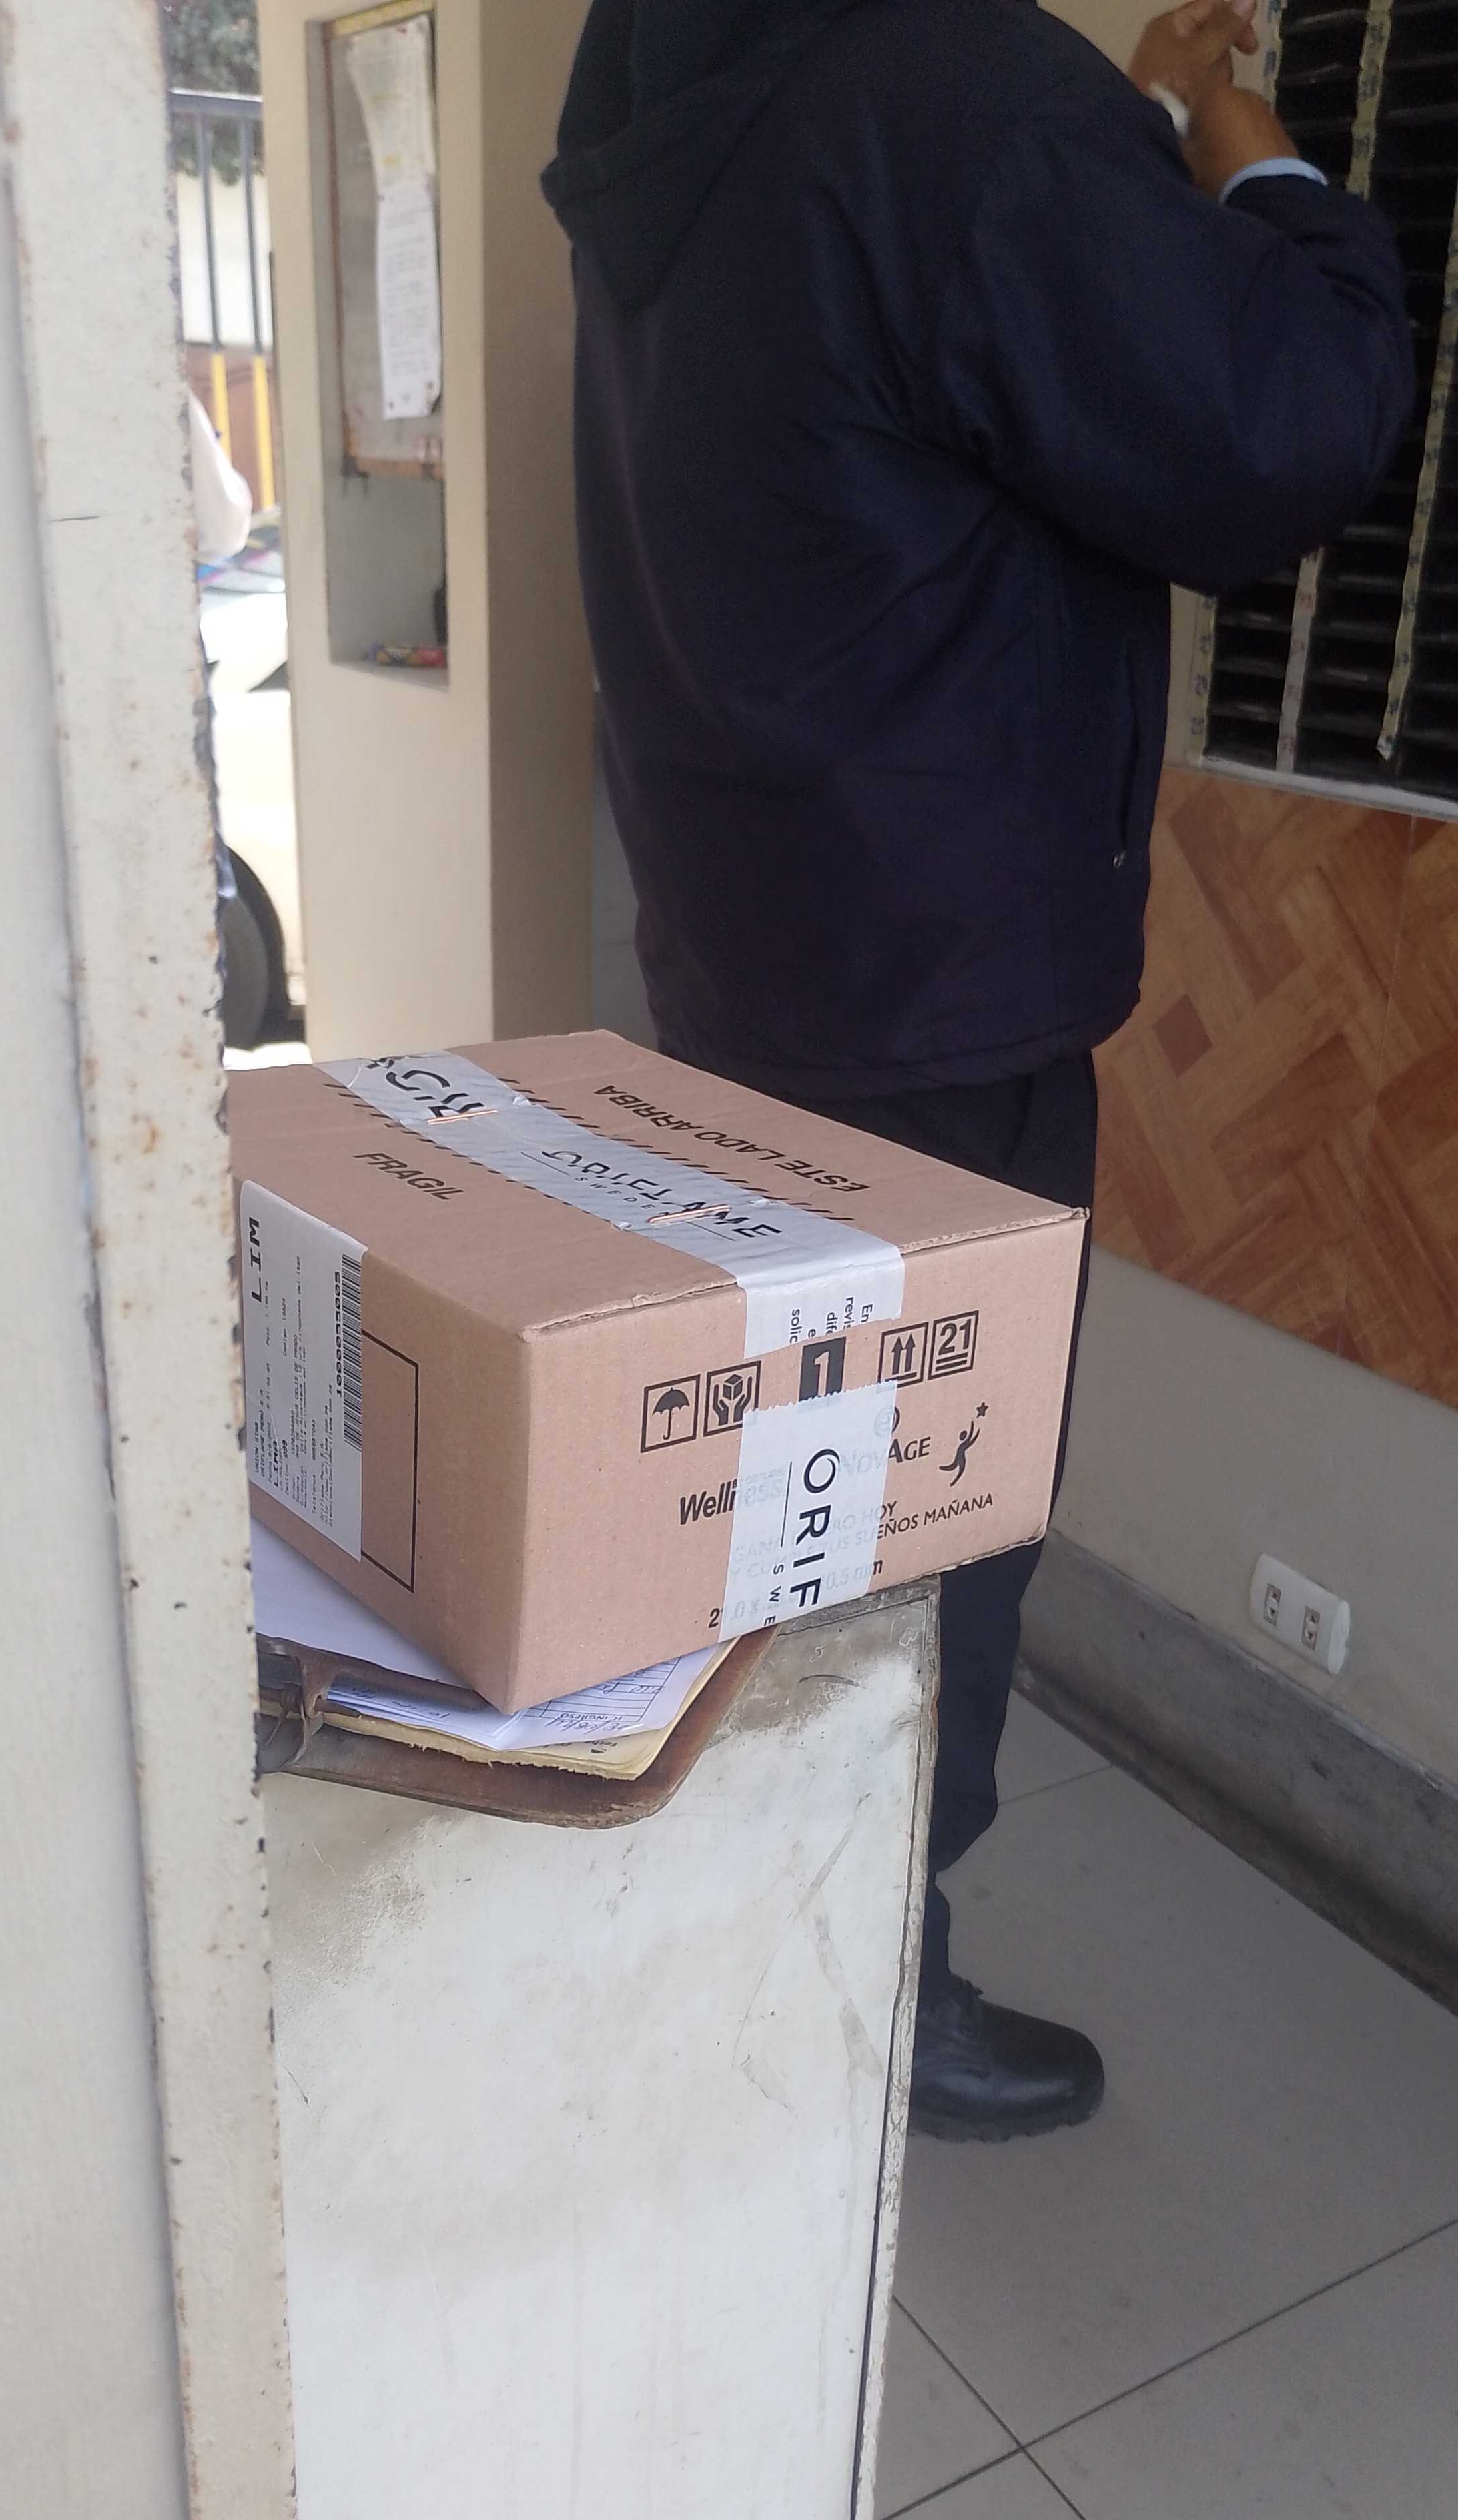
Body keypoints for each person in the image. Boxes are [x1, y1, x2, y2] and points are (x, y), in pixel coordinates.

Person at [543, 0, 1413, 2139]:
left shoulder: (671, 87)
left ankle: (732, 1937)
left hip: (746, 965)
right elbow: (1276, 427)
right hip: (936, 1014)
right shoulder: (954, 98)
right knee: (929, 1539)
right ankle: (864, 1996)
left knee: (789, 1508)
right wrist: (1238, 142)